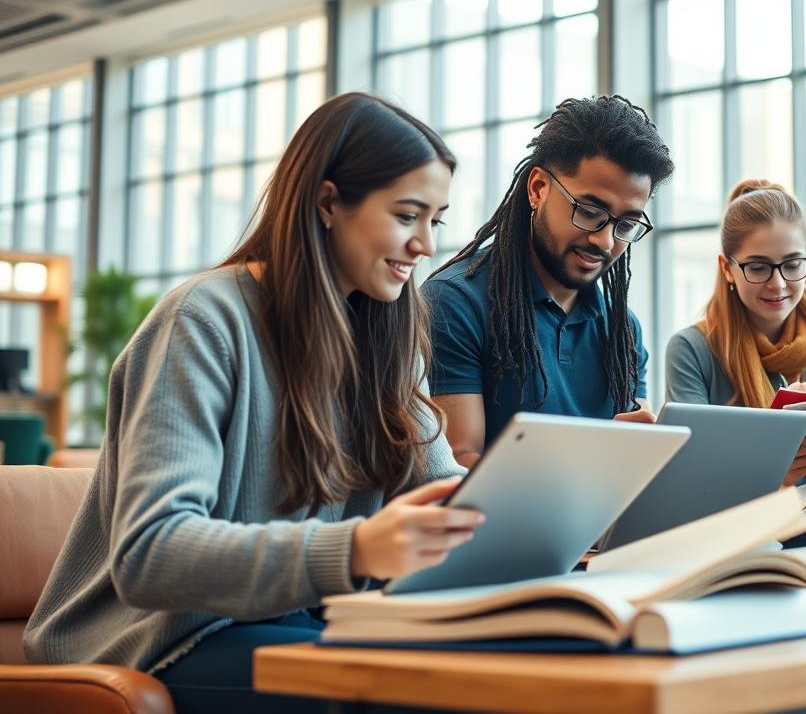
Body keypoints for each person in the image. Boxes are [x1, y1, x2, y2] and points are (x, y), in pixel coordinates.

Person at [23, 93, 484, 714]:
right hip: (163, 640)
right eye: (407, 216)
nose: (426, 245)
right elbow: (150, 552)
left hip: (301, 623)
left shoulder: (389, 341)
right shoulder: (203, 322)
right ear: (328, 203)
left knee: (519, 671)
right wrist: (357, 549)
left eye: (437, 221)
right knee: (417, 695)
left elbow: (444, 491)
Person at [422, 96, 674, 468]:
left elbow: (631, 462)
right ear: (538, 188)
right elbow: (458, 470)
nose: (604, 241)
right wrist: (596, 464)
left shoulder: (624, 330)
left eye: (626, 225)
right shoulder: (453, 302)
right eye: (589, 212)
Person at [664, 179, 806, 488]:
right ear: (727, 268)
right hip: (738, 531)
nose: (778, 284)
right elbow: (693, 480)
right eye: (758, 268)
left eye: (792, 264)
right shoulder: (691, 351)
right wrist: (773, 475)